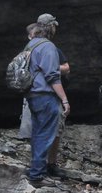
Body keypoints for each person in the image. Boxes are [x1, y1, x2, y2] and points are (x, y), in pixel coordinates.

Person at [19, 19, 71, 178]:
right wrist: (64, 99)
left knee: (38, 134)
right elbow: (52, 76)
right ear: (50, 30)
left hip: (32, 94)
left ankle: (36, 169)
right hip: (44, 95)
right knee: (45, 135)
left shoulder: (31, 46)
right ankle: (37, 174)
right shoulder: (47, 47)